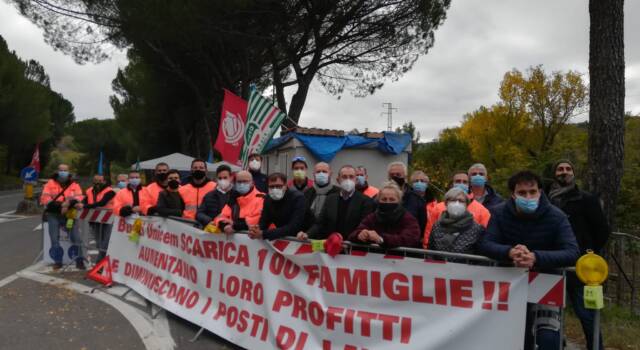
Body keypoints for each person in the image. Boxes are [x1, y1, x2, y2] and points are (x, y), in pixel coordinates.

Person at [477, 170, 580, 350]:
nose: (528, 196)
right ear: (513, 194)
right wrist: (509, 252)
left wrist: (535, 257)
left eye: (532, 192)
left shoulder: (557, 216)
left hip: (546, 284)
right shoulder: (499, 213)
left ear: (540, 192)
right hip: (510, 285)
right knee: (514, 336)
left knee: (548, 337)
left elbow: (572, 251)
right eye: (522, 193)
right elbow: (486, 243)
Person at [546, 159, 610, 350]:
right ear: (554, 173)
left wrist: (588, 251)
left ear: (573, 173)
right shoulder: (545, 200)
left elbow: (602, 230)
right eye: (560, 169)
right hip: (551, 263)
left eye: (568, 169)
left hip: (580, 266)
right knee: (550, 311)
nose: (564, 172)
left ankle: (595, 346)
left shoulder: (586, 199)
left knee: (586, 313)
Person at [299, 165, 375, 240]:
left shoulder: (366, 201)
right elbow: (320, 223)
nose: (348, 180)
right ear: (338, 180)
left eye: (351, 177)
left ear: (356, 180)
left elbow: (363, 228)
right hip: (331, 246)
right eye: (344, 177)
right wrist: (307, 234)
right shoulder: (331, 199)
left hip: (352, 247)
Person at [424, 170, 491, 248]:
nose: (461, 184)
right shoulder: (438, 208)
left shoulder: (482, 211)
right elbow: (428, 235)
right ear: (452, 184)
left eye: (465, 182)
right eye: (458, 181)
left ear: (469, 185)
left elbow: (485, 239)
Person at [349, 181, 421, 248]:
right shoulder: (372, 217)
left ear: (399, 200)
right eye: (384, 199)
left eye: (392, 199)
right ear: (378, 200)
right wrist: (360, 234)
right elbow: (353, 234)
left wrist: (381, 239)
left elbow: (411, 239)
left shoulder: (408, 218)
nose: (388, 202)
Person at [40, 164, 85, 270]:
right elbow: (45, 199)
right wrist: (61, 205)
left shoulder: (74, 184)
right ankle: (58, 261)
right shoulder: (50, 183)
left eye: (65, 170)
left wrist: (68, 203)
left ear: (69, 171)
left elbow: (79, 197)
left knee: (76, 238)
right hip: (53, 215)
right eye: (61, 170)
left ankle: (80, 261)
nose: (63, 172)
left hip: (69, 216)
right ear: (57, 171)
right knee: (54, 239)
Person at [250, 172, 305, 240]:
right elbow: (264, 221)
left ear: (285, 185)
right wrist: (256, 230)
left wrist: (264, 234)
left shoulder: (298, 198)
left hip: (306, 237)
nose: (275, 189)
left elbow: (293, 226)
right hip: (285, 238)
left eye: (278, 186)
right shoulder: (268, 198)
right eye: (271, 187)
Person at [428, 187, 483, 255]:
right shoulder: (437, 225)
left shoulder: (476, 229)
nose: (457, 203)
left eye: (461, 201)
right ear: (446, 203)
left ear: (466, 205)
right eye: (453, 200)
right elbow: (430, 251)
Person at [83, 174, 116, 262]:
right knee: (99, 242)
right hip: (94, 219)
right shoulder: (89, 191)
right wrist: (84, 205)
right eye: (96, 180)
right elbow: (84, 201)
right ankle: (102, 262)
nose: (97, 183)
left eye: (100, 181)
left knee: (106, 242)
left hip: (108, 219)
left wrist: (86, 206)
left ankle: (99, 263)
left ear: (104, 181)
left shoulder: (110, 191)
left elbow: (102, 203)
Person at [387, 162, 427, 234]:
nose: (395, 177)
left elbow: (422, 226)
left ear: (405, 176)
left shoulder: (417, 200)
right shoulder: (379, 198)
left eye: (398, 175)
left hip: (409, 242)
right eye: (392, 175)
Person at [301, 162, 339, 231]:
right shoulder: (307, 192)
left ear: (330, 174)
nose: (321, 174)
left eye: (324, 171)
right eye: (318, 172)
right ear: (314, 175)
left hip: (329, 234)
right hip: (308, 234)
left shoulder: (338, 192)